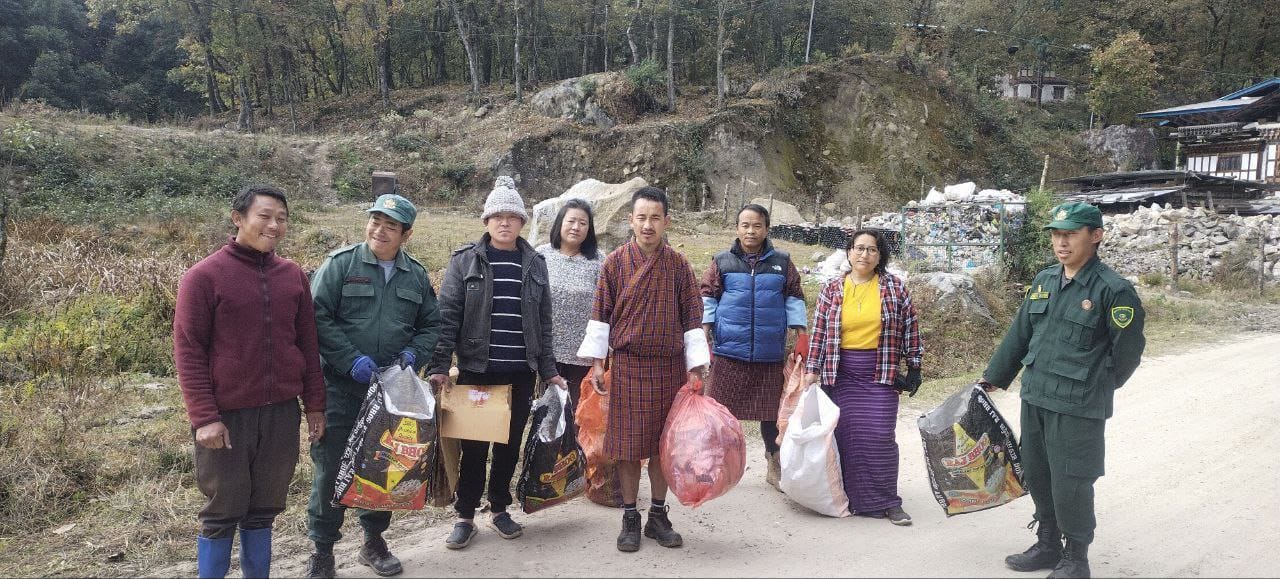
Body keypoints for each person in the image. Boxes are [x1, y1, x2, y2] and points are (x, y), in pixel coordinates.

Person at [979, 202, 1145, 579]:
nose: (1061, 242)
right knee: (1037, 473)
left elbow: (1127, 354)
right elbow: (1020, 333)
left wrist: (1096, 385)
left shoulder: (1113, 291)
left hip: (1078, 405)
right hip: (1035, 395)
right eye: (1056, 234)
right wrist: (994, 376)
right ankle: (1048, 544)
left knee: (1072, 480)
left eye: (1070, 234)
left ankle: (1076, 559)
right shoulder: (1044, 281)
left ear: (1096, 236)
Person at [173, 184, 326, 579]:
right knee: (222, 511)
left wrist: (315, 407)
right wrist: (205, 416)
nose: (274, 225)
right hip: (227, 416)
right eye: (265, 215)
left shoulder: (292, 275)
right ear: (238, 218)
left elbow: (308, 346)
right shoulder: (203, 277)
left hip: (280, 414)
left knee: (263, 510)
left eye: (281, 218)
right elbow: (189, 351)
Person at [427, 176, 568, 550]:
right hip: (477, 369)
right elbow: (448, 316)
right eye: (497, 216)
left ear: (522, 222)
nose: (504, 222)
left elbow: (545, 320)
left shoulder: (535, 263)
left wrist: (550, 370)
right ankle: (465, 515)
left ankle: (500, 508)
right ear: (486, 221)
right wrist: (440, 364)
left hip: (521, 371)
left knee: (508, 444)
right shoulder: (465, 261)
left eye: (512, 216)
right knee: (474, 446)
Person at [304, 193, 441, 578]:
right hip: (341, 389)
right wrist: (350, 360)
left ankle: (373, 541)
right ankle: (322, 549)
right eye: (375, 221)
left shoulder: (414, 274)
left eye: (391, 226)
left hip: (390, 393)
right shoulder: (340, 265)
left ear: (406, 235)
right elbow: (316, 318)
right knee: (331, 469)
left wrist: (414, 354)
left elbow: (431, 323)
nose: (379, 230)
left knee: (383, 467)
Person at [577, 186, 710, 553]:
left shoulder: (679, 265)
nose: (648, 225)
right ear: (630, 220)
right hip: (629, 367)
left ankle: (657, 515)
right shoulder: (615, 263)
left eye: (655, 218)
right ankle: (630, 516)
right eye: (641, 217)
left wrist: (695, 367)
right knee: (628, 447)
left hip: (669, 369)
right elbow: (600, 314)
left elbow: (692, 318)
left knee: (663, 447)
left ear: (666, 221)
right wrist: (599, 365)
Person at [804, 229, 922, 526]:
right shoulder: (832, 288)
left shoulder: (895, 288)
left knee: (880, 437)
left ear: (880, 256)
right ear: (849, 252)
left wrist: (915, 365)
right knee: (849, 436)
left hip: (880, 372)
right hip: (840, 373)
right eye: (859, 248)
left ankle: (888, 502)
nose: (864, 255)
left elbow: (910, 327)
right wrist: (811, 370)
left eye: (871, 250)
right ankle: (855, 499)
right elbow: (818, 332)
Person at [700, 204, 807, 490]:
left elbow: (794, 298)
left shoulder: (782, 262)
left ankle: (774, 466)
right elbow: (708, 299)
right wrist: (704, 335)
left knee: (771, 414)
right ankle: (716, 467)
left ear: (767, 229)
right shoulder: (722, 261)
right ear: (737, 228)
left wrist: (801, 335)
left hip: (768, 353)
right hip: (728, 352)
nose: (751, 230)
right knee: (719, 414)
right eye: (745, 225)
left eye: (757, 225)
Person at [536, 198, 604, 409]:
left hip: (582, 354)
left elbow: (605, 307)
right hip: (546, 351)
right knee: (547, 415)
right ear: (560, 223)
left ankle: (572, 444)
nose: (576, 227)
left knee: (575, 415)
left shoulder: (599, 261)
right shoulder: (541, 255)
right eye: (571, 221)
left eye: (583, 223)